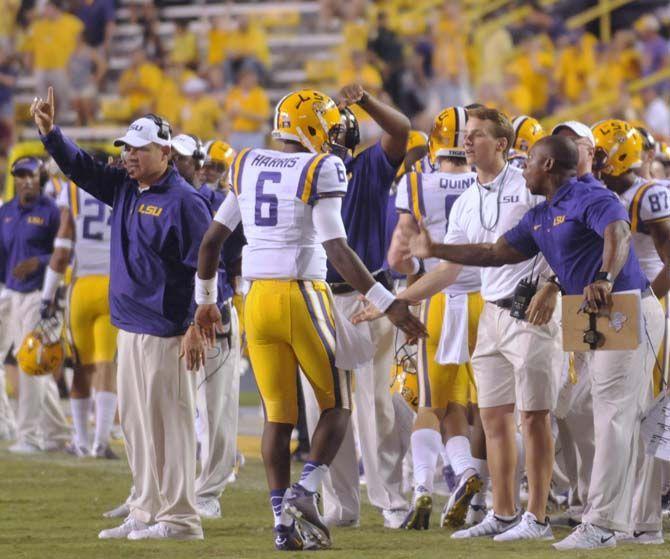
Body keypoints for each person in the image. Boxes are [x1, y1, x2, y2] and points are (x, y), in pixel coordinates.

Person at [189, 89, 425, 550]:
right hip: (302, 294)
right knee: (338, 405)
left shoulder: (246, 161)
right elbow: (336, 247)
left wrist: (204, 299)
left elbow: (211, 243)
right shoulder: (321, 167)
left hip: (254, 300)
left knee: (278, 417)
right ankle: (307, 490)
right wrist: (389, 302)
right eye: (330, 126)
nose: (336, 135)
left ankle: (283, 523)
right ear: (312, 125)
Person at [404, 135, 664, 550]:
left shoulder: (587, 194)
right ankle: (626, 521)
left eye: (528, 164)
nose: (521, 169)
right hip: (589, 312)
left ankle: (602, 524)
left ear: (546, 165)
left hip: (623, 305)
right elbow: (494, 253)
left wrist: (604, 277)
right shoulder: (543, 214)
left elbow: (617, 231)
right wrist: (437, 248)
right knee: (606, 412)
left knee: (614, 415)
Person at [355, 107, 563, 542]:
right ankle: (502, 512)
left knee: (535, 416)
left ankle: (538, 516)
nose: (466, 141)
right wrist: (394, 299)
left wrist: (553, 286)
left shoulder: (528, 187)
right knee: (493, 418)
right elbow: (447, 271)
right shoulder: (469, 197)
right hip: (489, 312)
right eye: (466, 135)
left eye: (477, 135)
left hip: (530, 311)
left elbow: (565, 240)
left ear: (502, 145)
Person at [33, 87, 211, 541]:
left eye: (139, 149)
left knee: (169, 427)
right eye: (126, 149)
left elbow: (204, 269)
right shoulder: (127, 188)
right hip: (129, 327)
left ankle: (180, 518)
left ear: (165, 152)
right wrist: (51, 134)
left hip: (167, 331)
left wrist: (195, 324)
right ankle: (145, 507)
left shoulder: (186, 202)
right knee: (135, 426)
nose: (128, 157)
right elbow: (82, 168)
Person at [306, 83, 414, 530]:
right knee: (323, 406)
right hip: (315, 295)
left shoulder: (366, 166)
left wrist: (366, 101)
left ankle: (390, 497)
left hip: (365, 297)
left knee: (375, 405)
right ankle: (341, 504)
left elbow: (402, 129)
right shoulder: (302, 173)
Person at [387, 106, 483, 530]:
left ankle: (423, 485)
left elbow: (400, 258)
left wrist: (403, 289)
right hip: (490, 300)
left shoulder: (416, 182)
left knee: (430, 404)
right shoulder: (495, 177)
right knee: (480, 408)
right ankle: (473, 480)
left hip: (439, 298)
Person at [592, 119, 670, 545]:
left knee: (647, 412)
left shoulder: (648, 193)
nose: (596, 160)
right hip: (628, 307)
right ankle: (625, 512)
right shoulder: (611, 193)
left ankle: (645, 520)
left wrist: (647, 303)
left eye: (601, 152)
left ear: (622, 153)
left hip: (652, 305)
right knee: (622, 411)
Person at [171, 133, 244, 519]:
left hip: (213, 314)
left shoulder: (216, 201)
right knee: (178, 407)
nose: (204, 171)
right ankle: (163, 489)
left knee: (215, 408)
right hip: (176, 317)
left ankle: (209, 491)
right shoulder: (169, 198)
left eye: (187, 160)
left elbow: (237, 254)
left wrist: (227, 295)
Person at [40, 153, 119, 459]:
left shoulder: (71, 191)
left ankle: (82, 441)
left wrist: (47, 297)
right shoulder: (121, 188)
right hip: (115, 287)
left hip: (83, 287)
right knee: (106, 364)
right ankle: (101, 441)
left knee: (82, 366)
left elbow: (61, 252)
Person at [1, 156, 70, 454]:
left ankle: (29, 435)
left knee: (30, 364)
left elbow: (66, 251)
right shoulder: (6, 211)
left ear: (39, 177)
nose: (27, 180)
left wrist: (39, 262)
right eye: (22, 175)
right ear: (15, 177)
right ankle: (56, 432)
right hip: (11, 293)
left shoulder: (51, 211)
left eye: (32, 175)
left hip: (40, 295)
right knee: (32, 363)